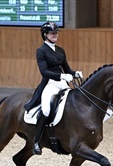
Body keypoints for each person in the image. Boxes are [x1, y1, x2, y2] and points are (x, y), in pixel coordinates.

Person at [24, 21, 83, 155]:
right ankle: (37, 142)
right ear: (45, 35)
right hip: (50, 83)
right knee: (45, 110)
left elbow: (67, 69)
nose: (55, 35)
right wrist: (62, 76)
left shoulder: (60, 50)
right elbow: (44, 72)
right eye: (52, 33)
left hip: (62, 83)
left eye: (56, 32)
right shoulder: (41, 51)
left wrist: (75, 73)